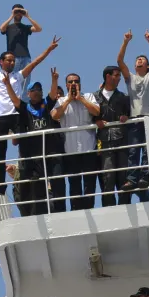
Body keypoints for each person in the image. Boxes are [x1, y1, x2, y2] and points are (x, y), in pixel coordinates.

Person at [0, 25, 59, 195]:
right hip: (0, 117)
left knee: (26, 144)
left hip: (17, 115)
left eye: (13, 60)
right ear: (1, 62)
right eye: (8, 60)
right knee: (0, 152)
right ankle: (0, 185)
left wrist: (49, 49)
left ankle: (31, 173)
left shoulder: (18, 76)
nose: (11, 62)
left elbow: (34, 63)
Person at [3, 69, 65, 216]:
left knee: (57, 183)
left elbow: (53, 94)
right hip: (35, 156)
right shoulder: (25, 108)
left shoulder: (46, 105)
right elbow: (14, 100)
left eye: (39, 89)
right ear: (29, 93)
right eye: (34, 90)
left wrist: (55, 80)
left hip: (51, 153)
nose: (37, 92)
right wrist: (7, 85)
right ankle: (39, 213)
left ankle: (61, 212)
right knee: (37, 187)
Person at [116, 30, 149, 192]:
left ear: (147, 66)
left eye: (142, 59)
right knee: (134, 150)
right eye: (137, 60)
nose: (139, 61)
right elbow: (120, 61)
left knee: (147, 150)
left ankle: (145, 177)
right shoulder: (130, 78)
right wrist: (126, 41)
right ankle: (131, 179)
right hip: (135, 119)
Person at [50, 73, 101, 210]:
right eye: (70, 82)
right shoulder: (61, 101)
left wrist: (80, 99)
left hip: (89, 147)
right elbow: (54, 115)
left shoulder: (89, 96)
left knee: (90, 183)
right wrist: (69, 100)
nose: (73, 84)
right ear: (66, 85)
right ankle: (77, 210)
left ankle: (89, 208)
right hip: (70, 150)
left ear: (80, 83)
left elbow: (96, 111)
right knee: (74, 184)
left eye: (76, 81)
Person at [93, 66, 132, 206]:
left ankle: (125, 207)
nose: (119, 78)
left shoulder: (123, 97)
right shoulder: (95, 97)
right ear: (108, 77)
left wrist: (126, 116)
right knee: (107, 176)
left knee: (123, 175)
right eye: (116, 75)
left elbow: (130, 113)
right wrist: (96, 121)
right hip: (103, 141)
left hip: (122, 140)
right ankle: (109, 208)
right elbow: (90, 116)